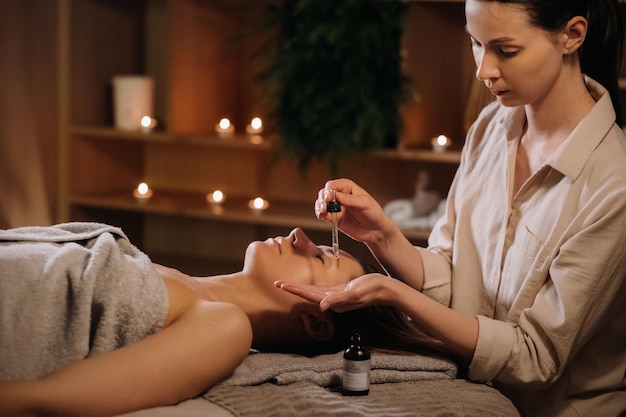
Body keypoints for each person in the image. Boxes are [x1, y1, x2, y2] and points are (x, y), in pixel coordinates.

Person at [276, 1, 626, 416]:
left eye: (505, 50)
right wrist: (381, 235)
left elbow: (535, 359)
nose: (483, 70)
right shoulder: (491, 128)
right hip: (466, 397)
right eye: (476, 43)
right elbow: (455, 277)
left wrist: (396, 295)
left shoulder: (612, 183)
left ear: (572, 35)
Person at [0, 222, 444, 417]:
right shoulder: (173, 274)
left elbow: (49, 400)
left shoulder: (226, 328)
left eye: (321, 258)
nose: (299, 236)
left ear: (316, 322)